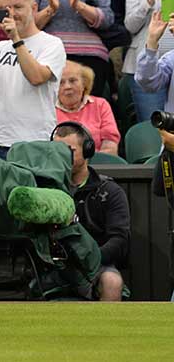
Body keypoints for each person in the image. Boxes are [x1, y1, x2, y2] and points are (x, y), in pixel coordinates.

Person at [0, 0, 66, 158]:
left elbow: (36, 77)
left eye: (17, 7)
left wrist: (16, 38)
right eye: (6, 8)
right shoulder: (0, 47)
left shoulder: (51, 44)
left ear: (33, 8)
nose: (11, 13)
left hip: (35, 141)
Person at [52, 122, 130, 301]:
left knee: (112, 281)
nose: (63, 156)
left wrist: (91, 259)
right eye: (57, 151)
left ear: (87, 151)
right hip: (54, 264)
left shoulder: (109, 191)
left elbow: (119, 240)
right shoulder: (47, 189)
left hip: (97, 264)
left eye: (69, 150)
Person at [124, 0, 174, 122]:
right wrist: (148, 2)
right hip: (146, 67)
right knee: (153, 126)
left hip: (173, 64)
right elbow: (130, 26)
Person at [55, 61, 121, 155]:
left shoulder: (100, 105)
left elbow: (110, 143)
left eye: (73, 80)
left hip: (97, 165)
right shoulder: (48, 109)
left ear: (84, 84)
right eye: (61, 82)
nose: (67, 87)